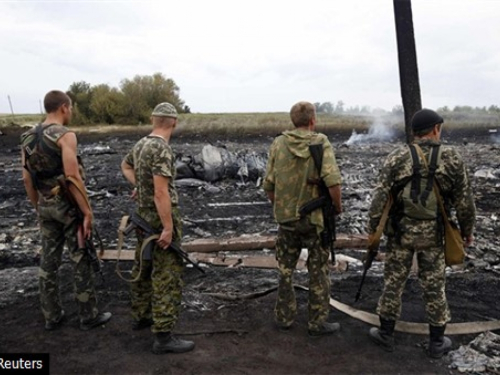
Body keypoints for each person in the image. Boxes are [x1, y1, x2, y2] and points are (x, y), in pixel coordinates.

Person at [367, 108, 476, 358]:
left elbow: (379, 198)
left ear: (414, 132)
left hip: (400, 233)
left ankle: (386, 334)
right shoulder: (452, 158)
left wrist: (374, 229)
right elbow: (464, 202)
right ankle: (437, 342)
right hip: (434, 235)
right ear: (436, 129)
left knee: (393, 281)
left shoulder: (397, 157)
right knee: (435, 285)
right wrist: (467, 232)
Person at [20, 90, 112, 331]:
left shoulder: (27, 138)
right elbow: (72, 177)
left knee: (48, 262)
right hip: (68, 205)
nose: (70, 112)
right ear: (63, 107)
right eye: (70, 108)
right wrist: (87, 212)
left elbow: (27, 179)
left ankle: (51, 315)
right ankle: (88, 314)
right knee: (80, 256)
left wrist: (38, 207)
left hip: (45, 205)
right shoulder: (65, 136)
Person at [263, 101, 342, 336]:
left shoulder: (278, 143)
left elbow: (268, 184)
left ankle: (284, 317)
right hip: (315, 221)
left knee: (285, 270)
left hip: (286, 221)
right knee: (318, 271)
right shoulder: (320, 142)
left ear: (292, 121)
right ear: (312, 120)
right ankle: (317, 322)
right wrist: (337, 207)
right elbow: (333, 181)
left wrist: (281, 206)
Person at [121, 102, 194, 354]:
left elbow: (126, 165)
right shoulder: (161, 149)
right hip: (157, 218)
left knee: (143, 265)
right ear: (173, 122)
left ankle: (141, 316)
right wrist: (168, 227)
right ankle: (163, 336)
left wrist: (140, 187)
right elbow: (161, 192)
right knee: (166, 273)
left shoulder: (141, 144)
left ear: (153, 120)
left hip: (141, 218)